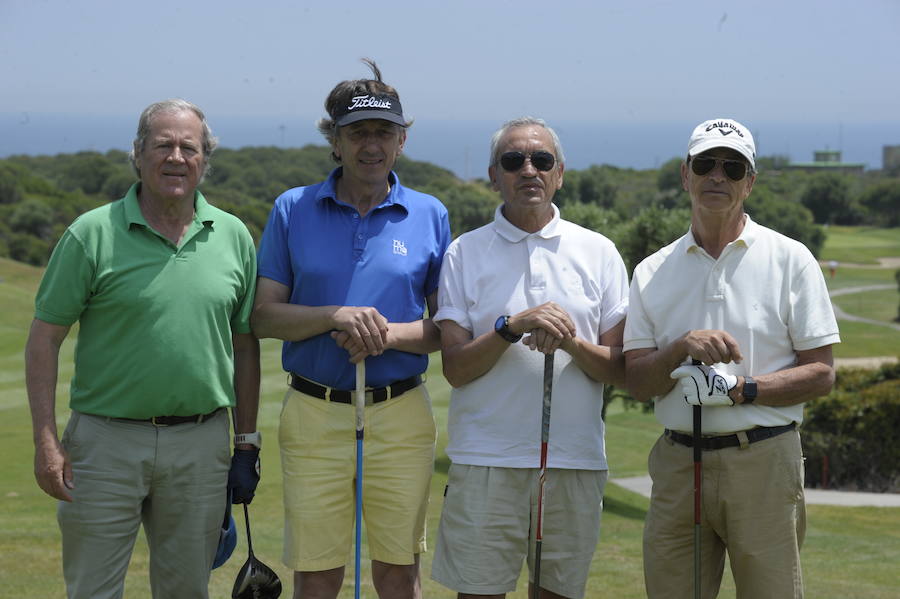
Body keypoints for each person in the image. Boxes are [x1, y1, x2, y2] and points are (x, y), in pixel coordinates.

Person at [25, 99, 261, 599]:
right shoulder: (91, 233)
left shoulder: (234, 235)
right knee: (93, 591)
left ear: (204, 159)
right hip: (105, 444)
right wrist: (46, 440)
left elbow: (244, 346)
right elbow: (44, 338)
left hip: (201, 444)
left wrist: (246, 442)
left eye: (189, 147)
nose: (176, 157)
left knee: (186, 592)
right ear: (138, 153)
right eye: (163, 145)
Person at [252, 59, 450, 599]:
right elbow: (265, 315)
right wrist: (332, 316)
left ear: (401, 140)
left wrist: (384, 335)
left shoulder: (429, 214)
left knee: (397, 571)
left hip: (401, 411)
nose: (371, 145)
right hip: (315, 411)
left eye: (384, 132)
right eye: (357, 132)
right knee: (316, 573)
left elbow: (442, 330)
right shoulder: (293, 208)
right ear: (334, 140)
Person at [623, 117, 841, 598]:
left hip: (763, 460)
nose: (717, 176)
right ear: (686, 175)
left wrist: (741, 390)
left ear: (750, 182)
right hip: (679, 463)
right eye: (706, 164)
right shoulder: (651, 271)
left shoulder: (791, 259)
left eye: (733, 167)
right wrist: (680, 346)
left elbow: (822, 372)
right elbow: (637, 381)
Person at [430, 117, 629, 599]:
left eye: (541, 160)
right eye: (513, 161)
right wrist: (509, 328)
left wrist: (570, 343)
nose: (528, 170)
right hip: (485, 459)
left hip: (573, 461)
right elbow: (455, 369)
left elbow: (620, 369)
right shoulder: (463, 252)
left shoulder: (598, 251)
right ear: (494, 175)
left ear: (559, 172)